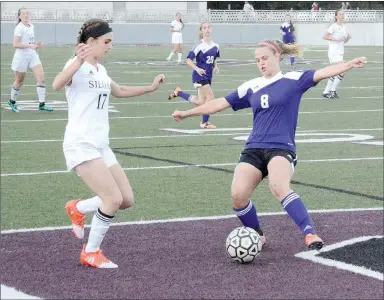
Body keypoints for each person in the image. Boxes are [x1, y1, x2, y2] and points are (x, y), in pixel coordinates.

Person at [172, 39, 367, 250]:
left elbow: (323, 71)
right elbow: (219, 103)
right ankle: (258, 235)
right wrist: (187, 113)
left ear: (278, 56)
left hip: (281, 148)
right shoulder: (251, 86)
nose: (261, 63)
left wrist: (347, 64)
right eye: (257, 60)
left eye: (265, 58)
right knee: (238, 196)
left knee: (278, 185)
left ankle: (310, 233)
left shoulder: (294, 79)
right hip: (254, 148)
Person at [52, 19, 165, 268]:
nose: (110, 46)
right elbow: (57, 84)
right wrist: (77, 61)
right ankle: (91, 252)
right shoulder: (77, 66)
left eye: (111, 41)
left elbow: (119, 90)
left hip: (101, 145)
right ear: (90, 42)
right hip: (81, 143)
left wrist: (150, 88)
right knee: (111, 199)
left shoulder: (100, 70)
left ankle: (78, 207)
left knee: (125, 199)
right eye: (106, 42)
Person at [168, 22, 220, 129]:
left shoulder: (216, 46)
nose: (207, 29)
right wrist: (197, 69)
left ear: (212, 29)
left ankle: (179, 92)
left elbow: (214, 59)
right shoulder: (198, 45)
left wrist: (215, 67)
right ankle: (204, 123)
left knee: (201, 102)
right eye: (204, 28)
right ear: (201, 31)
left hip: (208, 77)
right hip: (199, 76)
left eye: (209, 27)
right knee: (211, 98)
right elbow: (188, 60)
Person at [8, 7, 53, 113]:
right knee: (19, 81)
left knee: (41, 78)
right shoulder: (19, 28)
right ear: (19, 16)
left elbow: (29, 42)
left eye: (27, 13)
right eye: (23, 14)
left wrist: (36, 44)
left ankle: (42, 104)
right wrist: (30, 46)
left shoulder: (31, 25)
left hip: (32, 56)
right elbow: (15, 44)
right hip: (21, 57)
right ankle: (12, 101)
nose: (25, 15)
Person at [322, 9, 351, 99]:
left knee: (335, 72)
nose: (342, 16)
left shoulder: (344, 27)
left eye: (343, 14)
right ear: (336, 16)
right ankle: (332, 91)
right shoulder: (333, 26)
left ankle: (326, 91)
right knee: (343, 70)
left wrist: (347, 38)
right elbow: (325, 36)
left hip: (340, 52)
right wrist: (336, 38)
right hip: (333, 52)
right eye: (340, 14)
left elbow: (343, 41)